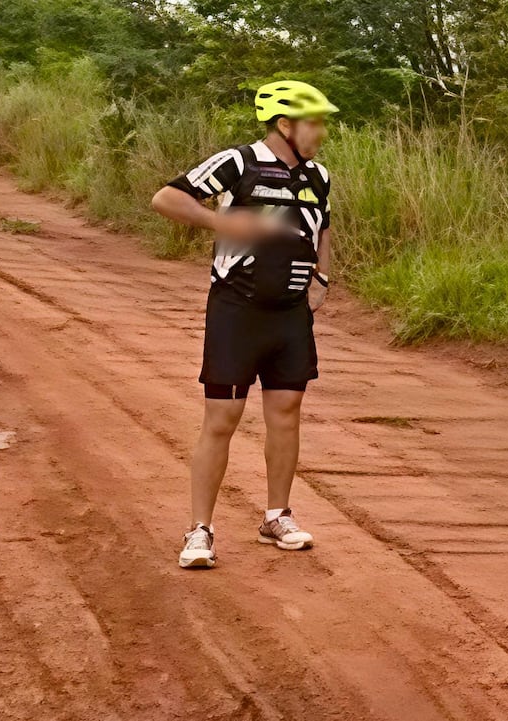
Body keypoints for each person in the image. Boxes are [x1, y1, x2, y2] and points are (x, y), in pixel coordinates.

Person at [150, 80, 337, 568]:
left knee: (286, 412)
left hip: (291, 315)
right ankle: (200, 531)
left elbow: (324, 231)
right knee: (222, 419)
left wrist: (322, 279)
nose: (320, 131)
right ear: (284, 124)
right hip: (236, 309)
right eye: (313, 121)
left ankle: (277, 516)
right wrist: (221, 223)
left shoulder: (319, 176)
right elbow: (166, 198)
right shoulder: (239, 162)